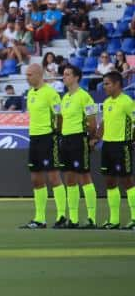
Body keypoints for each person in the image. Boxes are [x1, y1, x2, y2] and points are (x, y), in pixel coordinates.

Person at [20, 62, 65, 229]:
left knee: (54, 177)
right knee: (36, 179)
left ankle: (62, 216)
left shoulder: (51, 93)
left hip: (48, 137)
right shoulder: (30, 93)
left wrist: (56, 133)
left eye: (29, 75)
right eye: (26, 75)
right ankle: (40, 219)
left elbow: (59, 115)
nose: (27, 78)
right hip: (34, 138)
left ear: (39, 75)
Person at [56, 64, 100, 229]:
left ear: (76, 77)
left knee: (84, 177)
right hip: (65, 140)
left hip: (78, 140)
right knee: (70, 180)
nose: (64, 77)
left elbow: (92, 122)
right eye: (64, 74)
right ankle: (73, 219)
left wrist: (91, 138)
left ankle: (91, 218)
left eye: (68, 74)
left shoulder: (85, 97)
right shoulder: (65, 98)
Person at [97, 71, 134, 229]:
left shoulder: (127, 101)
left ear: (117, 84)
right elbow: (104, 123)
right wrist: (96, 138)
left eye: (107, 84)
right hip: (107, 146)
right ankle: (114, 219)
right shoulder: (106, 103)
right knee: (110, 182)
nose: (104, 87)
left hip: (122, 145)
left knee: (127, 182)